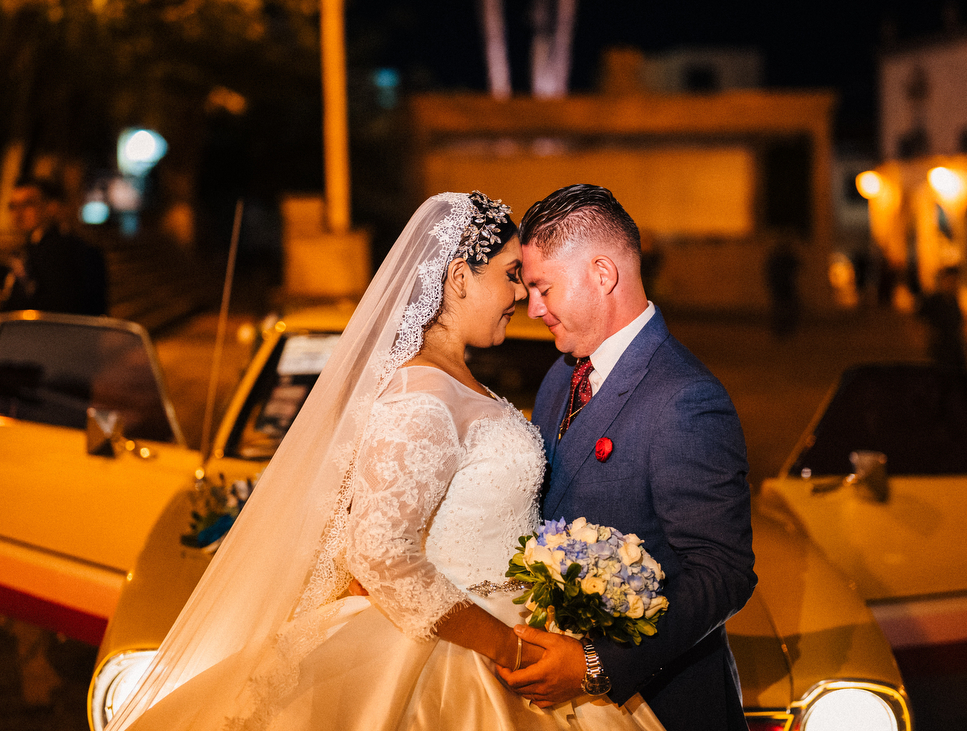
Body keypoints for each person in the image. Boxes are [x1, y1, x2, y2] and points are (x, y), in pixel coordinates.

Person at [108, 192, 664, 731]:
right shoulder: (421, 395)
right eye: (511, 274)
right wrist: (508, 648)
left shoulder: (456, 382)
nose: (521, 294)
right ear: (460, 277)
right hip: (458, 653)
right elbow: (378, 550)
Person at [501, 185, 756, 731]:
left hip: (661, 704)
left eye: (543, 287)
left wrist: (597, 664)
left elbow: (724, 571)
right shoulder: (559, 377)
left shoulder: (685, 397)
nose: (534, 308)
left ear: (602, 273)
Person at [0, 179, 108, 316]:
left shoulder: (59, 251)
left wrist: (4, 304)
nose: (18, 213)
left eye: (28, 204)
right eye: (13, 206)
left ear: (51, 207)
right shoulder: (33, 245)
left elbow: (56, 306)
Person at [917, 265, 966, 368]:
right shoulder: (934, 301)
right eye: (950, 281)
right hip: (940, 349)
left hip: (955, 348)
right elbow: (921, 320)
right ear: (942, 282)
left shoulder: (953, 300)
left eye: (955, 282)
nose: (953, 285)